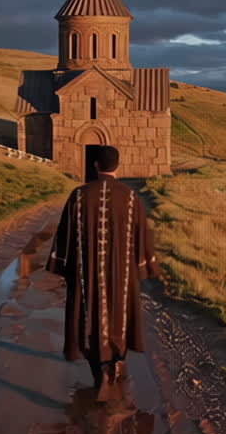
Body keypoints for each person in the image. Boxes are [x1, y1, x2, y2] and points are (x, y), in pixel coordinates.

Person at [47, 145, 159, 398]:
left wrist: (62, 264)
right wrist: (145, 264)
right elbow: (142, 235)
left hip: (86, 272)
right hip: (122, 274)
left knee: (89, 315)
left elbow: (65, 234)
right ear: (118, 166)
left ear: (96, 165)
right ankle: (115, 363)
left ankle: (100, 372)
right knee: (119, 314)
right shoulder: (131, 198)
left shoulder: (79, 196)